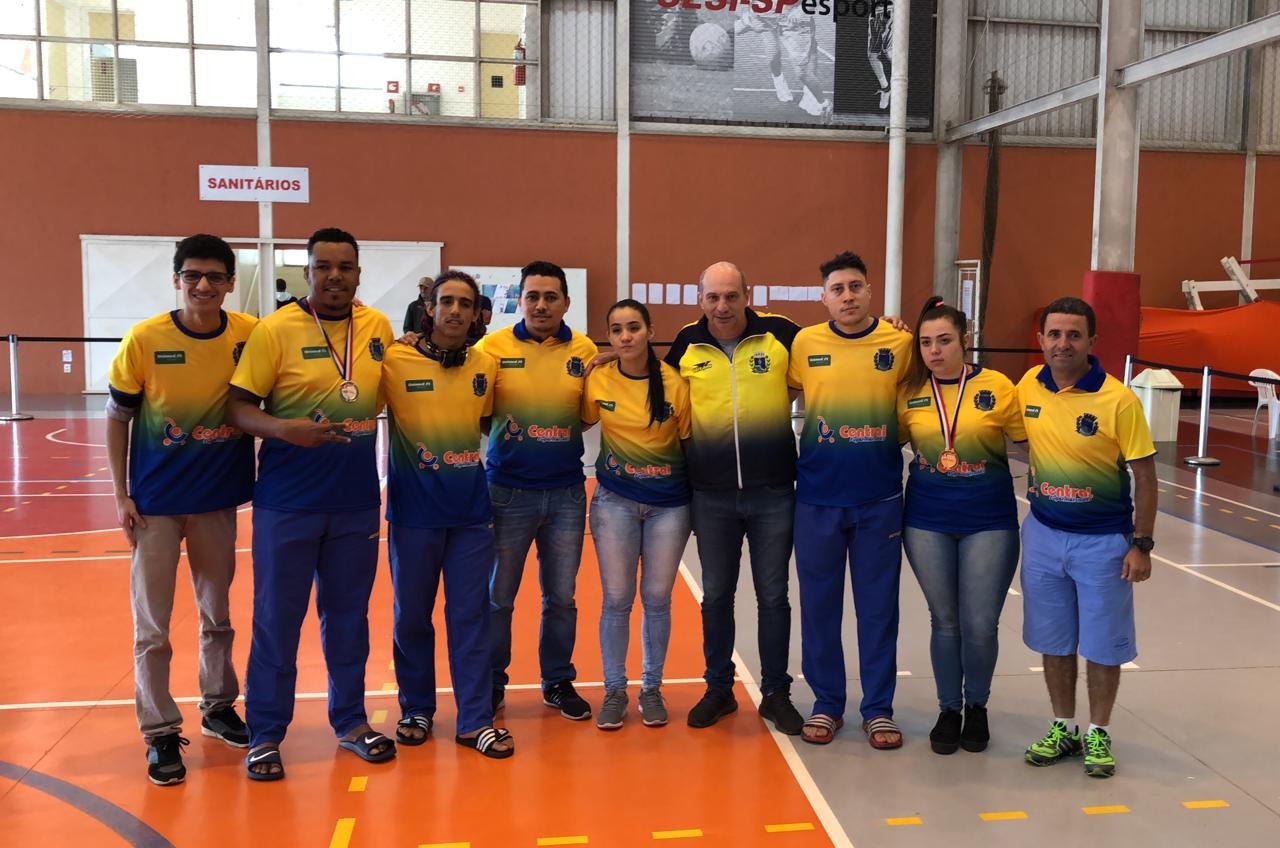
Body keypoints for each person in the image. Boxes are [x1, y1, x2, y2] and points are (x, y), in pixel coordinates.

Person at [226, 227, 396, 780]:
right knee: (277, 620)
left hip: (356, 501)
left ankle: (350, 721)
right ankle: (265, 734)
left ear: (359, 273)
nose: (334, 276)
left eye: (345, 267)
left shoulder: (377, 327)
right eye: (323, 267)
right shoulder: (275, 330)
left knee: (347, 620)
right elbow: (237, 407)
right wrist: (282, 429)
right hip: (288, 503)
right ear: (307, 272)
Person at [105, 233, 256, 785]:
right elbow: (118, 417)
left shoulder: (249, 335)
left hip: (216, 502)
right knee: (153, 626)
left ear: (230, 283)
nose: (203, 285)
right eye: (192, 275)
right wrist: (121, 494)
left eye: (215, 276)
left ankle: (217, 706)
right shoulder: (146, 339)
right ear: (176, 280)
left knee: (218, 616)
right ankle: (160, 730)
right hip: (156, 508)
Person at [1018, 297, 1156, 779]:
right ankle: (1062, 726)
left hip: (1102, 543)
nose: (1063, 343)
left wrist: (1142, 544)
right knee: (1054, 640)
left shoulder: (1119, 400)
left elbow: (1146, 476)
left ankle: (1098, 732)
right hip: (1043, 535)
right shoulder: (1027, 386)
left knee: (1101, 645)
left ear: (1092, 341)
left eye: (1074, 335)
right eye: (1054, 334)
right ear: (1040, 339)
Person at [665, 261, 804, 735]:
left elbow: (833, 347)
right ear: (700, 300)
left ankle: (776, 693)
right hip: (711, 495)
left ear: (748, 294)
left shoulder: (781, 334)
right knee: (717, 596)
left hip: (773, 492)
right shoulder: (686, 343)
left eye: (730, 296)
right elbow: (655, 386)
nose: (722, 306)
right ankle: (719, 690)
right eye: (713, 297)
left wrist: (889, 327)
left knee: (774, 596)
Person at [381, 270, 513, 758]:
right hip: (413, 514)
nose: (456, 311)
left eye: (465, 304)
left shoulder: (486, 365)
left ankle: (475, 720)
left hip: (470, 516)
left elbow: (487, 421)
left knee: (470, 617)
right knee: (412, 617)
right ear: (429, 309)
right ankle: (416, 707)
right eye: (447, 302)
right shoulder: (394, 359)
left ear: (477, 313)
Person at [786, 251, 912, 749]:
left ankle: (878, 709)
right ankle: (827, 702)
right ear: (824, 297)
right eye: (837, 289)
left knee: (878, 610)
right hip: (817, 495)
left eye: (855, 286)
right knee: (819, 608)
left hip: (879, 497)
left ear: (869, 291)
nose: (847, 296)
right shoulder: (804, 343)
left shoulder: (900, 344)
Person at [897, 296, 1025, 755]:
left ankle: (978, 706)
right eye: (926, 342)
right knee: (945, 621)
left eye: (944, 340)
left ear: (964, 341)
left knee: (981, 623)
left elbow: (1035, 442)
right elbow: (884, 446)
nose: (934, 350)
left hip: (988, 519)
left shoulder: (998, 387)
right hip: (927, 520)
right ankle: (949, 709)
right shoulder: (909, 392)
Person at [475, 260, 599, 720]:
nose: (541, 305)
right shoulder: (491, 348)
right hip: (506, 492)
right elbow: (481, 414)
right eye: (533, 296)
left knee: (561, 598)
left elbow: (585, 416)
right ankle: (491, 683)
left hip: (566, 493)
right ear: (520, 300)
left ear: (566, 302)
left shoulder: (584, 350)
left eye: (551, 297)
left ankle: (558, 681)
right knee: (497, 597)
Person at [582, 299, 692, 731]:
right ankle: (614, 690)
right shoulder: (598, 379)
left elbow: (688, 443)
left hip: (669, 507)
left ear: (649, 331)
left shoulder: (675, 384)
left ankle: (651, 688)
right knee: (616, 599)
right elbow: (580, 419)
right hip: (615, 503)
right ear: (609, 337)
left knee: (658, 599)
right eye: (616, 330)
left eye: (633, 327)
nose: (625, 336)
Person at [737, 7, 832, 119]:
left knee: (803, 71)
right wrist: (754, 19)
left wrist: (801, 10)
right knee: (773, 55)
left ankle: (811, 97)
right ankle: (781, 88)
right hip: (768, 16)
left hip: (792, 19)